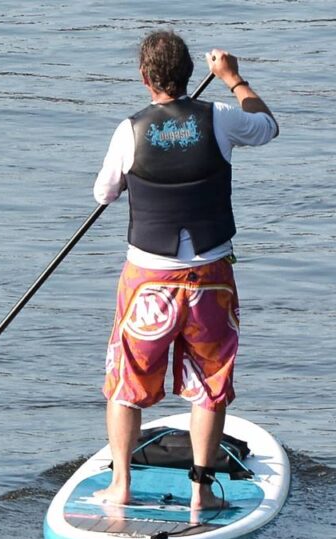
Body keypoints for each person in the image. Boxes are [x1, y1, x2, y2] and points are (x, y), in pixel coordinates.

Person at [92, 30, 278, 510]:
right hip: (210, 279)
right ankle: (201, 493)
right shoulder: (221, 117)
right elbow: (268, 126)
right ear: (193, 74)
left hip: (148, 282)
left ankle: (122, 487)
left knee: (126, 380)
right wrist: (234, 79)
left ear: (144, 78)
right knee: (210, 383)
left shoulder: (127, 130)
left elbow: (103, 194)